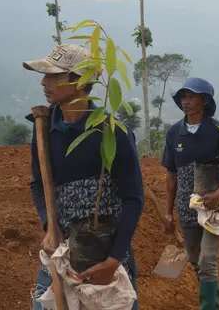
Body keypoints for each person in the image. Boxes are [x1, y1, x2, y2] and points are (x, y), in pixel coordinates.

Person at [24, 44, 144, 309]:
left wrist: (114, 260)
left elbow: (133, 198)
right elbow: (38, 184)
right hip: (60, 250)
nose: (44, 82)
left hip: (104, 251)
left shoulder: (112, 133)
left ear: (81, 81)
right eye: (45, 75)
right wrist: (49, 225)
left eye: (54, 76)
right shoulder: (43, 127)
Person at [162, 77, 219, 309]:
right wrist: (168, 212)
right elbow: (171, 176)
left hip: (213, 207)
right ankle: (209, 297)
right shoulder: (174, 134)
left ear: (204, 101)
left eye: (191, 97)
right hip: (186, 207)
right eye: (183, 97)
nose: (186, 101)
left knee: (208, 260)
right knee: (194, 260)